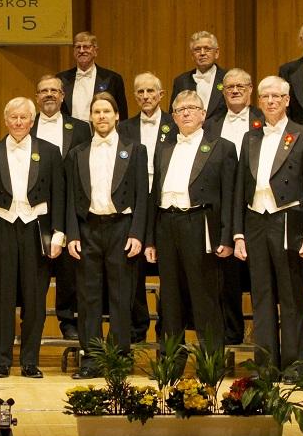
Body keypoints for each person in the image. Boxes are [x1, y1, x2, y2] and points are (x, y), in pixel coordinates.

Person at [233, 76, 303, 371]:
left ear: (287, 100)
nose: (270, 101)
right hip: (255, 220)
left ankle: (296, 365)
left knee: (291, 295)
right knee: (261, 295)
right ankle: (266, 365)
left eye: (276, 96)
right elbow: (240, 187)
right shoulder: (250, 137)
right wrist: (238, 233)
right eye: (265, 97)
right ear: (258, 101)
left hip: (288, 221)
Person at [144, 90, 236, 355]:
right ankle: (170, 363)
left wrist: (227, 236)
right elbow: (154, 194)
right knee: (170, 298)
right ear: (173, 116)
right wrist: (150, 239)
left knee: (204, 295)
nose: (185, 113)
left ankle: (210, 363)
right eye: (179, 110)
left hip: (200, 223)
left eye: (191, 108)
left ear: (203, 114)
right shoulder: (164, 148)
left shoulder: (222, 147)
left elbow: (230, 196)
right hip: (166, 223)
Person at [0, 97, 65, 378]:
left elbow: (59, 194)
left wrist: (59, 234)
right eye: (13, 117)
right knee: (1, 298)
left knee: (34, 299)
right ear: (5, 120)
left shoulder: (50, 152)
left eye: (23, 117)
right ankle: (2, 361)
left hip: (36, 230)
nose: (18, 122)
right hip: (1, 229)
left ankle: (30, 361)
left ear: (32, 120)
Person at [65, 92, 147, 378]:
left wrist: (137, 233)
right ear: (90, 117)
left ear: (117, 116)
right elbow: (70, 198)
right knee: (88, 298)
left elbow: (142, 195)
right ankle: (91, 359)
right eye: (97, 112)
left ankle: (119, 358)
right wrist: (72, 234)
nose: (101, 116)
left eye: (106, 111)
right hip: (87, 228)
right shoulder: (77, 153)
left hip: (121, 228)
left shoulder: (135, 150)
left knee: (121, 296)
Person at [202, 68, 263, 345]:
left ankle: (263, 335)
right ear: (223, 92)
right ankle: (231, 331)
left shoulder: (264, 120)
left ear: (250, 90)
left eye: (241, 86)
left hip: (257, 203)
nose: (235, 90)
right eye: (229, 87)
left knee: (260, 271)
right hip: (222, 203)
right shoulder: (210, 124)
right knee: (226, 272)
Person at [31, 74, 90, 340]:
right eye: (44, 90)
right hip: (36, 208)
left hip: (70, 205)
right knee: (35, 269)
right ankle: (32, 322)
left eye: (54, 90)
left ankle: (68, 320)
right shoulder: (26, 125)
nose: (49, 95)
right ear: (37, 97)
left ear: (63, 96)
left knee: (68, 268)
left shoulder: (80, 128)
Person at [117, 72, 173, 342]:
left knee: (169, 268)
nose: (146, 96)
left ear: (161, 95)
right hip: (135, 202)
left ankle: (167, 327)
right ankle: (137, 327)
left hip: (165, 201)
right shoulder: (124, 128)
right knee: (133, 266)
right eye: (140, 92)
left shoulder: (175, 124)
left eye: (151, 91)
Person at [57, 31, 127, 119]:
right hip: (70, 128)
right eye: (78, 47)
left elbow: (122, 115)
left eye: (86, 47)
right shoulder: (61, 79)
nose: (81, 51)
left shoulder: (113, 79)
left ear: (95, 51)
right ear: (74, 51)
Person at [169, 31, 227, 121]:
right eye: (197, 49)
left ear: (216, 53)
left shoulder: (228, 78)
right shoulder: (181, 81)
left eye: (207, 49)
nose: (202, 53)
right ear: (192, 55)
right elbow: (173, 114)